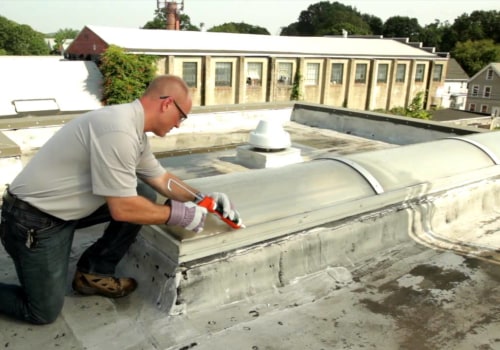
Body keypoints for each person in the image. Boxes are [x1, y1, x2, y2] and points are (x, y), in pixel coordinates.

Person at [0, 74, 242, 325]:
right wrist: (179, 215)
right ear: (167, 103)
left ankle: (93, 273)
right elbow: (123, 209)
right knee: (42, 311)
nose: (179, 125)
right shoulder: (118, 130)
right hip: (32, 221)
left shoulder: (133, 130)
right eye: (181, 116)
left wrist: (203, 199)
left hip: (62, 211)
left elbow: (160, 178)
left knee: (143, 192)